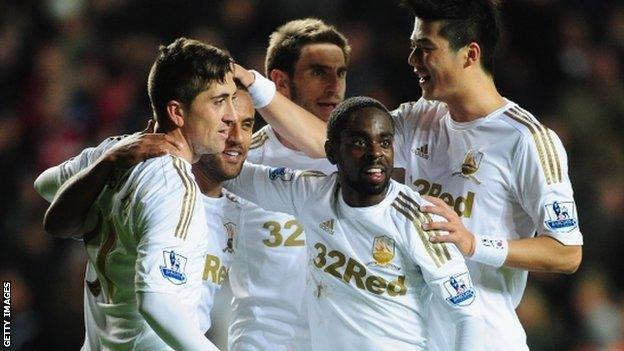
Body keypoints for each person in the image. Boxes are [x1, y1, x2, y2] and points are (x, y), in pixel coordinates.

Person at [235, 1, 583, 349]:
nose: (413, 59)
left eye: (425, 49)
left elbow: (567, 252)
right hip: (419, 337)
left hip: (486, 337)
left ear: (469, 54)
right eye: (413, 47)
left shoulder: (527, 139)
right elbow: (325, 140)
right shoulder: (421, 119)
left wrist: (475, 244)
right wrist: (254, 84)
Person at [226, 96, 484, 350]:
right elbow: (233, 175)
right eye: (360, 142)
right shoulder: (311, 193)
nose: (376, 153)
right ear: (331, 151)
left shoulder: (418, 218)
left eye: (385, 142)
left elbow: (467, 314)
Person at [34, 37, 237, 350]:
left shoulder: (116, 151)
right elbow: (158, 302)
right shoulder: (175, 187)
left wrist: (107, 160)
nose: (230, 116)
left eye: (231, 100)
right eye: (218, 101)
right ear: (177, 112)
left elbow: (44, 185)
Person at [227, 18, 349, 350]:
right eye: (318, 72)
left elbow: (325, 142)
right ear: (279, 82)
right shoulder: (239, 164)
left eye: (340, 73)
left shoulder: (360, 157)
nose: (333, 86)